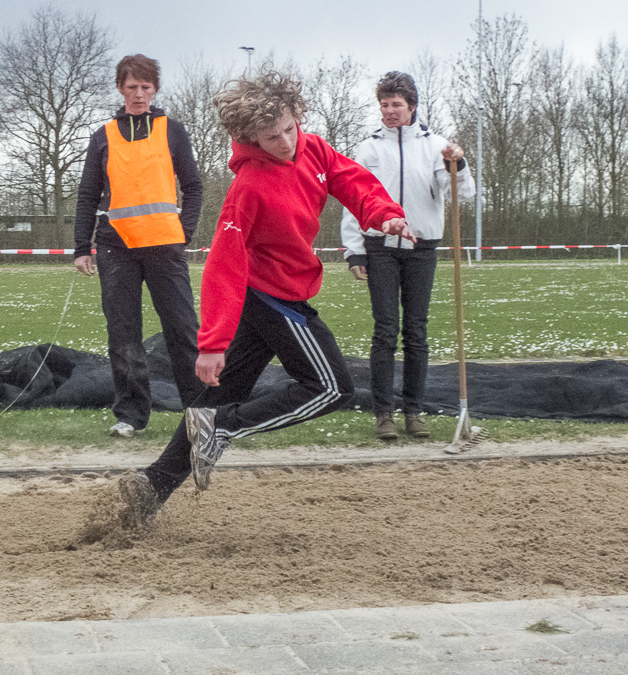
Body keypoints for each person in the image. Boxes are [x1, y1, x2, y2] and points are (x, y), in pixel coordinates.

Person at [118, 70, 415, 526]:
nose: (285, 142)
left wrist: (386, 216)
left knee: (222, 394)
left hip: (281, 293)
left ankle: (152, 485)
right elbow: (224, 266)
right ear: (248, 138)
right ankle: (223, 429)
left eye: (289, 129)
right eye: (271, 136)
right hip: (271, 297)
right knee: (331, 388)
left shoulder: (314, 148)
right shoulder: (248, 188)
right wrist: (213, 343)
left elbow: (355, 182)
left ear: (298, 116)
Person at [74, 54, 204, 438]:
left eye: (146, 87)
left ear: (155, 90)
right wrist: (82, 246)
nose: (139, 94)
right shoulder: (103, 135)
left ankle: (199, 413)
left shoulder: (173, 130)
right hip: (116, 249)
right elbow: (87, 195)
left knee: (183, 330)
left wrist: (185, 232)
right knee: (123, 333)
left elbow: (194, 187)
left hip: (166, 247)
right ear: (120, 89)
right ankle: (130, 415)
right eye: (132, 87)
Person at [340, 71, 475, 441]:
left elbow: (462, 195)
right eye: (384, 105)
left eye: (396, 104)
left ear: (412, 106)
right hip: (380, 249)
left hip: (422, 249)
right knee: (385, 332)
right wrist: (355, 252)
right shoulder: (368, 149)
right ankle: (384, 413)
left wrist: (458, 165)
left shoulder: (437, 146)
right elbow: (354, 203)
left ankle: (414, 411)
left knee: (416, 332)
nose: (389, 111)